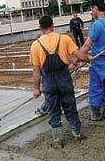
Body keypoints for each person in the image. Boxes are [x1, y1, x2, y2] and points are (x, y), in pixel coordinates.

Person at [30, 15, 90, 148]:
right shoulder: (64, 38)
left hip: (48, 83)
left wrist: (36, 88)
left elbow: (36, 71)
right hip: (64, 79)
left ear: (40, 28)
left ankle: (57, 140)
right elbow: (79, 55)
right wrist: (88, 58)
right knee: (70, 107)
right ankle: (77, 134)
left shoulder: (35, 45)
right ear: (52, 25)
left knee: (53, 111)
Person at [73, 0, 105, 121]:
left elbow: (86, 45)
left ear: (95, 8)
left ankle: (96, 114)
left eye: (92, 9)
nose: (92, 12)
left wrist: (76, 61)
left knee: (96, 87)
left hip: (99, 61)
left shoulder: (97, 25)